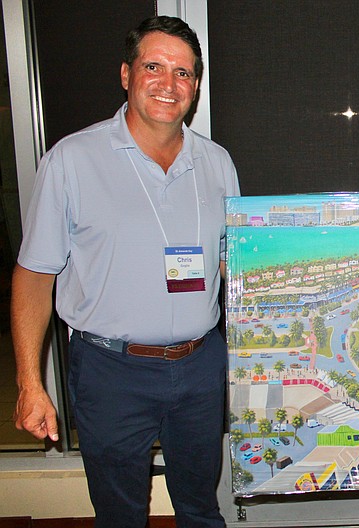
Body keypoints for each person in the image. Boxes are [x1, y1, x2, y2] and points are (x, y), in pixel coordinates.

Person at [12, 16, 239, 528]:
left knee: (202, 506)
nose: (168, 83)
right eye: (153, 66)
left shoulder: (218, 164)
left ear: (196, 86)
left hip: (202, 366)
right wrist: (30, 382)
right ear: (126, 74)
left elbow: (233, 262)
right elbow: (33, 276)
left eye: (183, 72)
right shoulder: (71, 160)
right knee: (120, 514)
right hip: (110, 371)